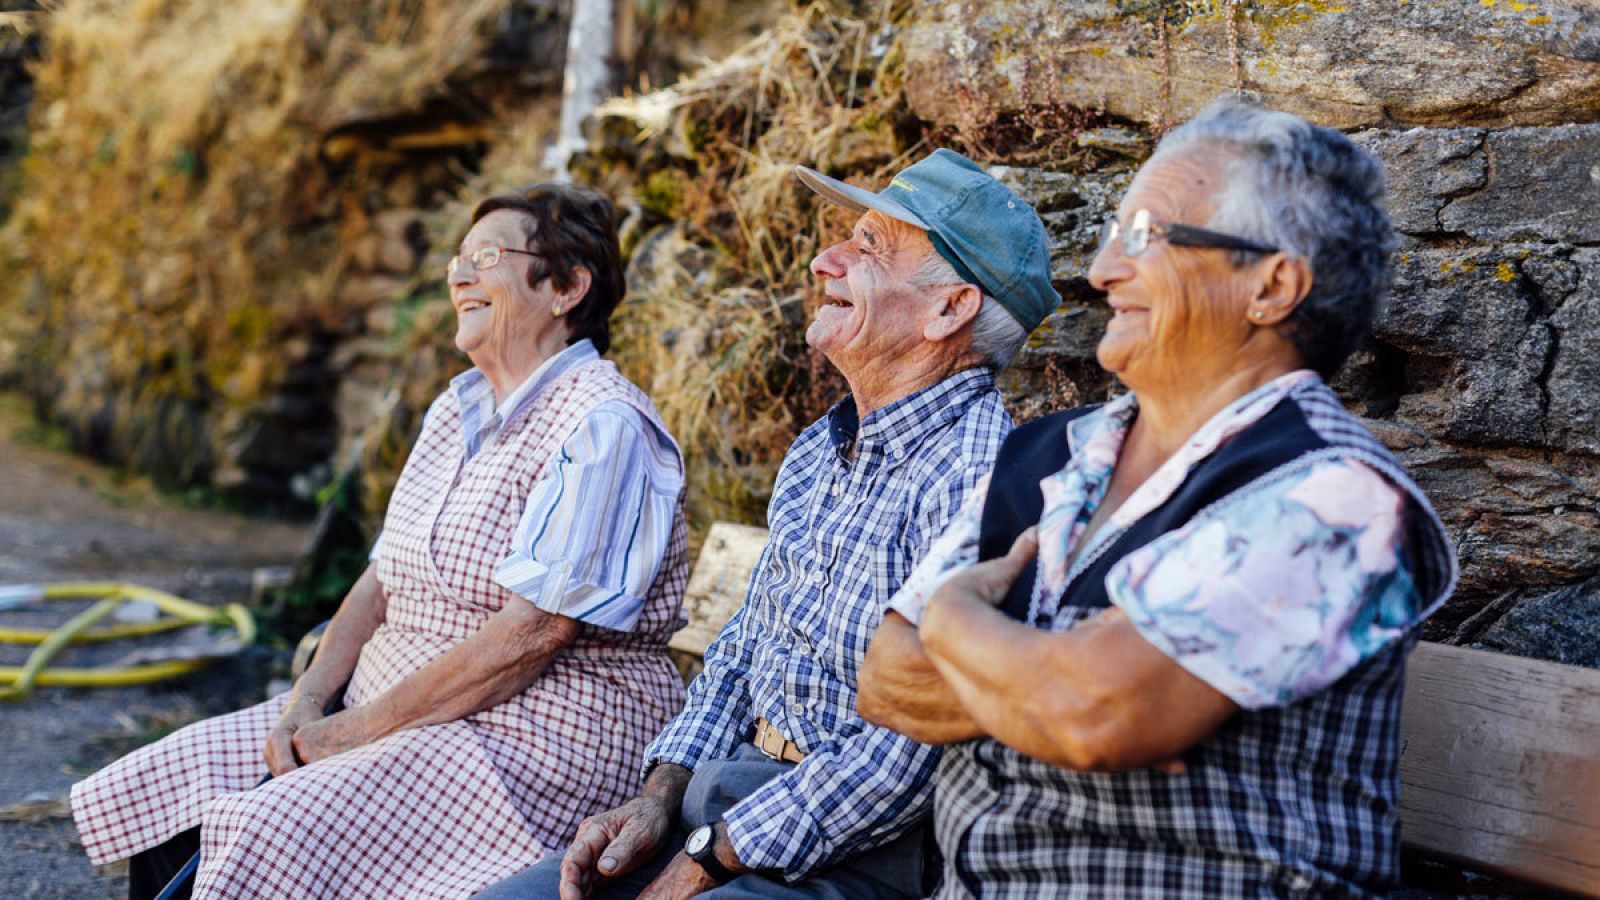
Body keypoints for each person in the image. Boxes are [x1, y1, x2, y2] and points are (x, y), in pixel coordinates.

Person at [858, 98, 1458, 897]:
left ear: (1272, 286)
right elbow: (887, 680)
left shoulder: (1337, 495)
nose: (1103, 270)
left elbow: (1099, 715)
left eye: (1144, 237)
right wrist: (1060, 682)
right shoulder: (1050, 453)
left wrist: (954, 618)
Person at [71, 185, 693, 899]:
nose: (459, 275)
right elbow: (381, 578)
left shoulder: (604, 425)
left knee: (263, 827)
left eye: (486, 257)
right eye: (458, 259)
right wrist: (308, 698)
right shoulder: (456, 408)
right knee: (179, 780)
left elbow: (537, 631)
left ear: (567, 287)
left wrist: (358, 729)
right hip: (408, 712)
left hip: (532, 742)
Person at [479, 149, 1058, 899]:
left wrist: (712, 857)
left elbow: (910, 749)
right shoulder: (825, 444)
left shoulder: (981, 475)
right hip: (728, 803)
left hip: (861, 856)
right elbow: (747, 644)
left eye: (870, 247)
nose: (827, 259)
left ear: (950, 309)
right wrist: (660, 797)